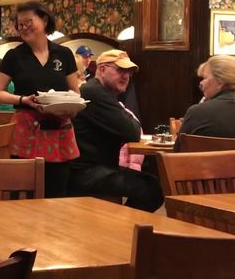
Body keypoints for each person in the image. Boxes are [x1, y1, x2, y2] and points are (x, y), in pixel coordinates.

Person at [0, 1, 81, 198]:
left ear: (44, 20)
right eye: (20, 24)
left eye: (28, 22)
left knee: (57, 192)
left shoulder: (63, 54)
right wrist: (23, 99)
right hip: (27, 128)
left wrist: (71, 107)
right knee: (23, 191)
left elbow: (75, 92)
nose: (24, 28)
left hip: (59, 129)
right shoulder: (14, 56)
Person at [69, 50, 164, 212]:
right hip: (85, 172)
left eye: (129, 72)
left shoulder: (102, 92)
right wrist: (129, 118)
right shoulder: (94, 92)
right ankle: (123, 229)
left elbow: (131, 126)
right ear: (102, 70)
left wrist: (129, 119)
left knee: (151, 183)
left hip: (93, 168)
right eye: (120, 70)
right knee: (151, 189)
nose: (126, 76)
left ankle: (120, 225)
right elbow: (133, 131)